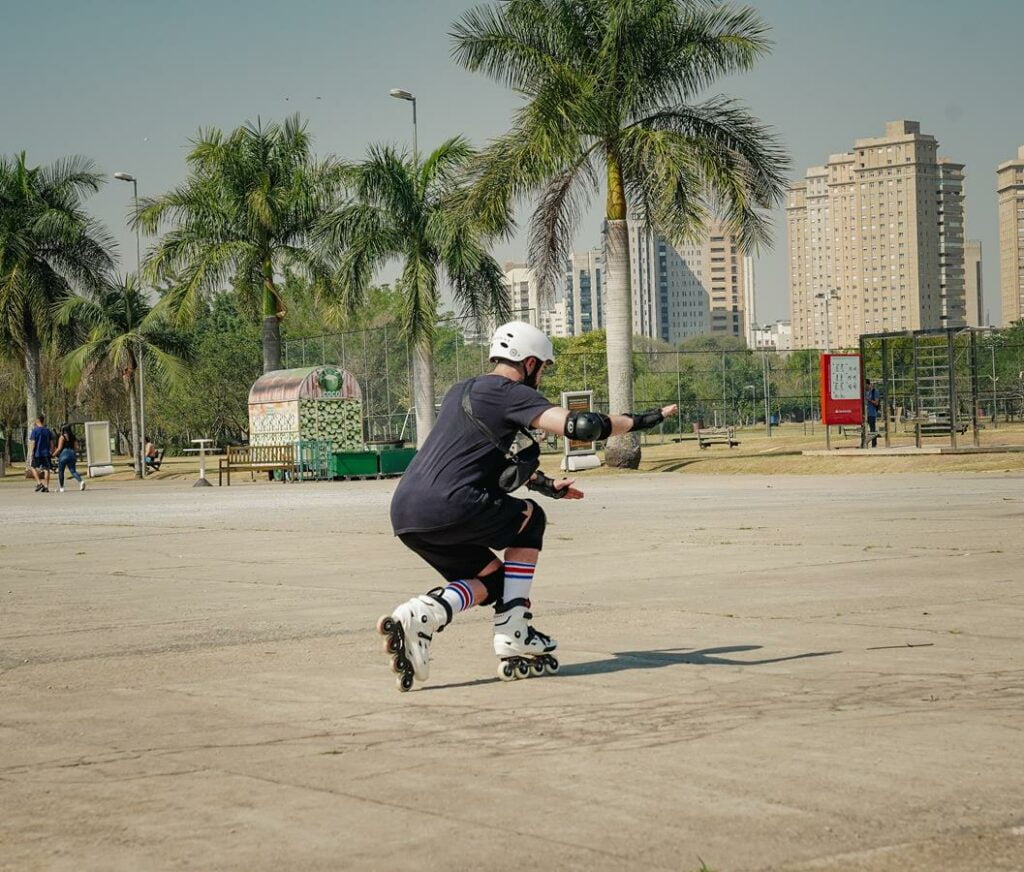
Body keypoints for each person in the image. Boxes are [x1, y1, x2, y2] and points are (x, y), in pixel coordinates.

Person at [378, 320, 678, 691]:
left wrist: (546, 485)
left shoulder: (461, 391)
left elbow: (480, 459)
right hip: (452, 503)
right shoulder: (509, 392)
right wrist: (641, 420)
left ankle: (424, 614)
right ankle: (514, 631)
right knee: (531, 520)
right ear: (530, 362)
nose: (542, 376)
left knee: (496, 583)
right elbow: (581, 425)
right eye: (543, 368)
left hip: (408, 510)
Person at [54, 424, 86, 493]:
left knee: (61, 471)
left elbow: (59, 448)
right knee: (73, 471)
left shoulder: (62, 437)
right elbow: (76, 447)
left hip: (64, 454)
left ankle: (62, 487)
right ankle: (81, 481)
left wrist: (53, 455)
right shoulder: (73, 437)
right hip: (72, 454)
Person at [28, 414, 53, 493]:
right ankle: (46, 486)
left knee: (33, 467)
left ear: (37, 421)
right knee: (46, 469)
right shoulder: (47, 431)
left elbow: (33, 442)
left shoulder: (35, 431)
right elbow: (51, 442)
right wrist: (51, 451)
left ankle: (39, 483)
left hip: (37, 453)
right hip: (46, 453)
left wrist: (31, 452)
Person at [863, 378, 880, 448]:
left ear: (868, 384)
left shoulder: (874, 392)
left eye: (864, 384)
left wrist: (868, 399)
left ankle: (874, 444)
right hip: (864, 414)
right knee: (863, 429)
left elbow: (876, 403)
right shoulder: (863, 392)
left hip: (872, 413)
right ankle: (863, 444)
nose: (863, 386)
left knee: (872, 429)